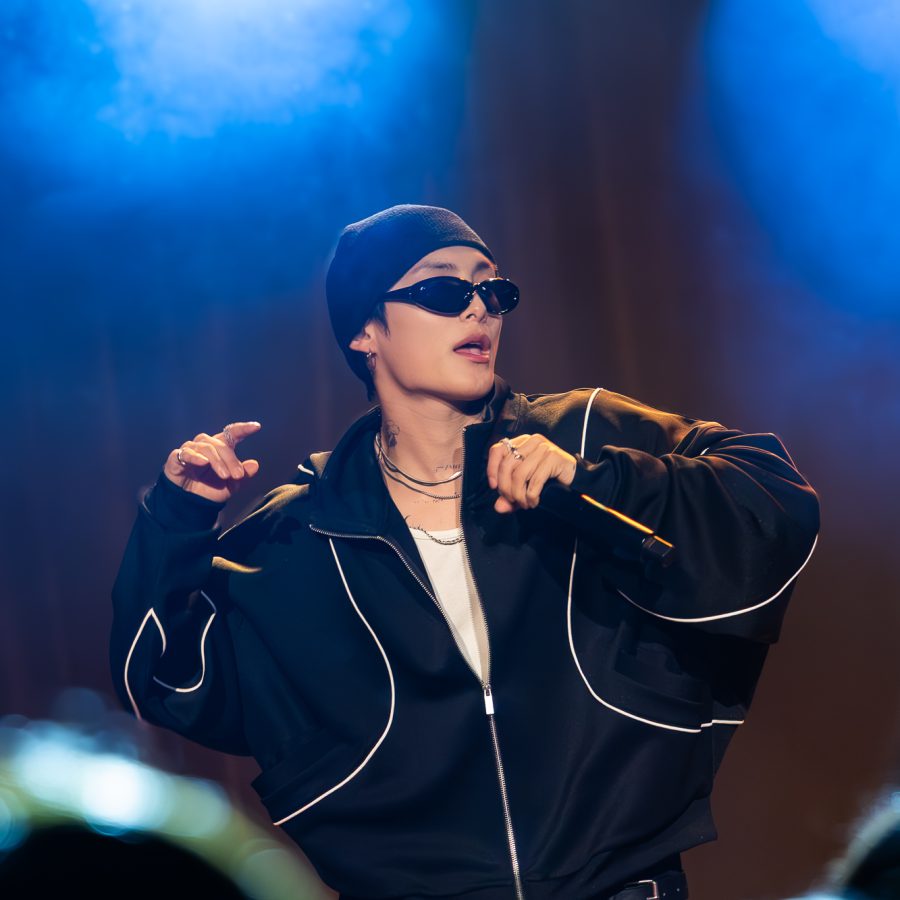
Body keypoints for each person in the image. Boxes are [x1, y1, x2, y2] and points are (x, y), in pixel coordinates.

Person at [111, 204, 820, 900]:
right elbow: (158, 678)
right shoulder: (303, 530)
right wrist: (180, 514)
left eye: (493, 289)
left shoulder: (580, 435)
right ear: (364, 330)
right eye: (444, 290)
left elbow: (774, 501)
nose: (479, 308)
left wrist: (595, 482)